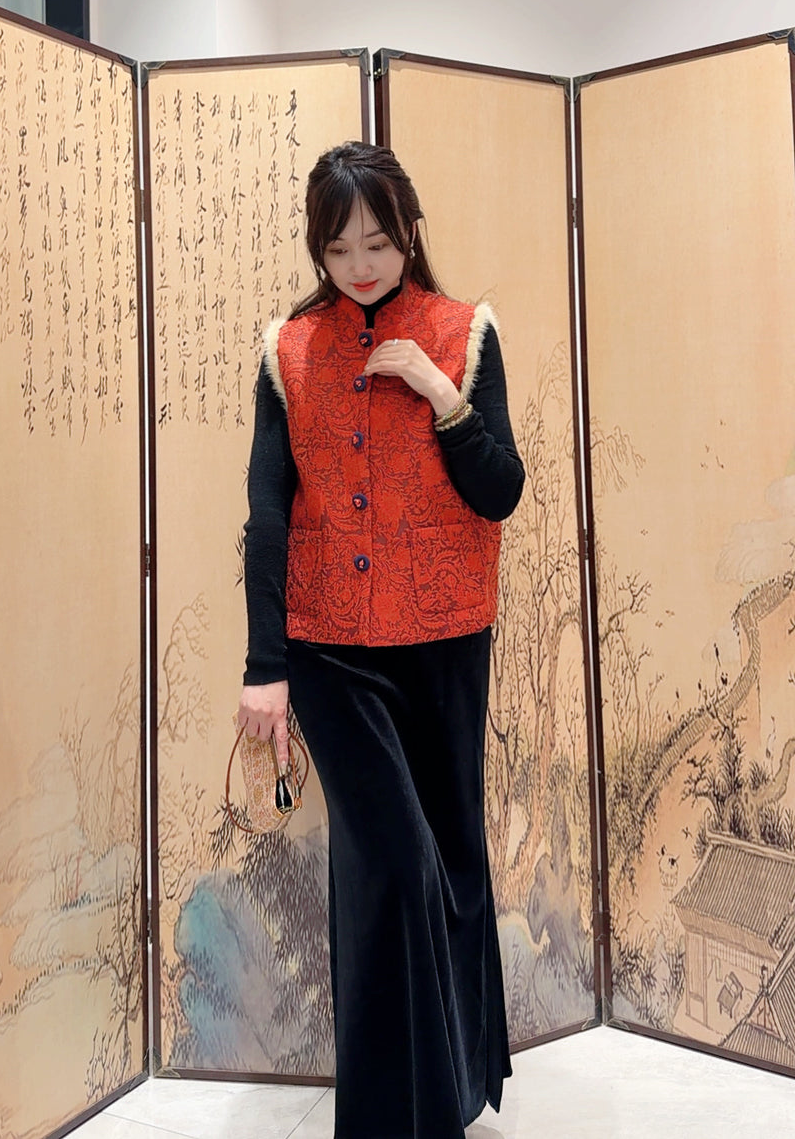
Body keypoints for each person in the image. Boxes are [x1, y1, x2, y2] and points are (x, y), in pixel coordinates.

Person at [238, 141, 525, 1139]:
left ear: (409, 230)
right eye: (338, 244)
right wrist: (265, 666)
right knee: (395, 862)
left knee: (448, 862)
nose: (360, 262)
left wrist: (437, 393)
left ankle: (451, 1081)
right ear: (317, 247)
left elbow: (502, 491)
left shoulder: (464, 331)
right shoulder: (289, 347)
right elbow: (267, 512)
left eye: (377, 239)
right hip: (329, 652)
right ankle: (394, 1119)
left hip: (447, 641)